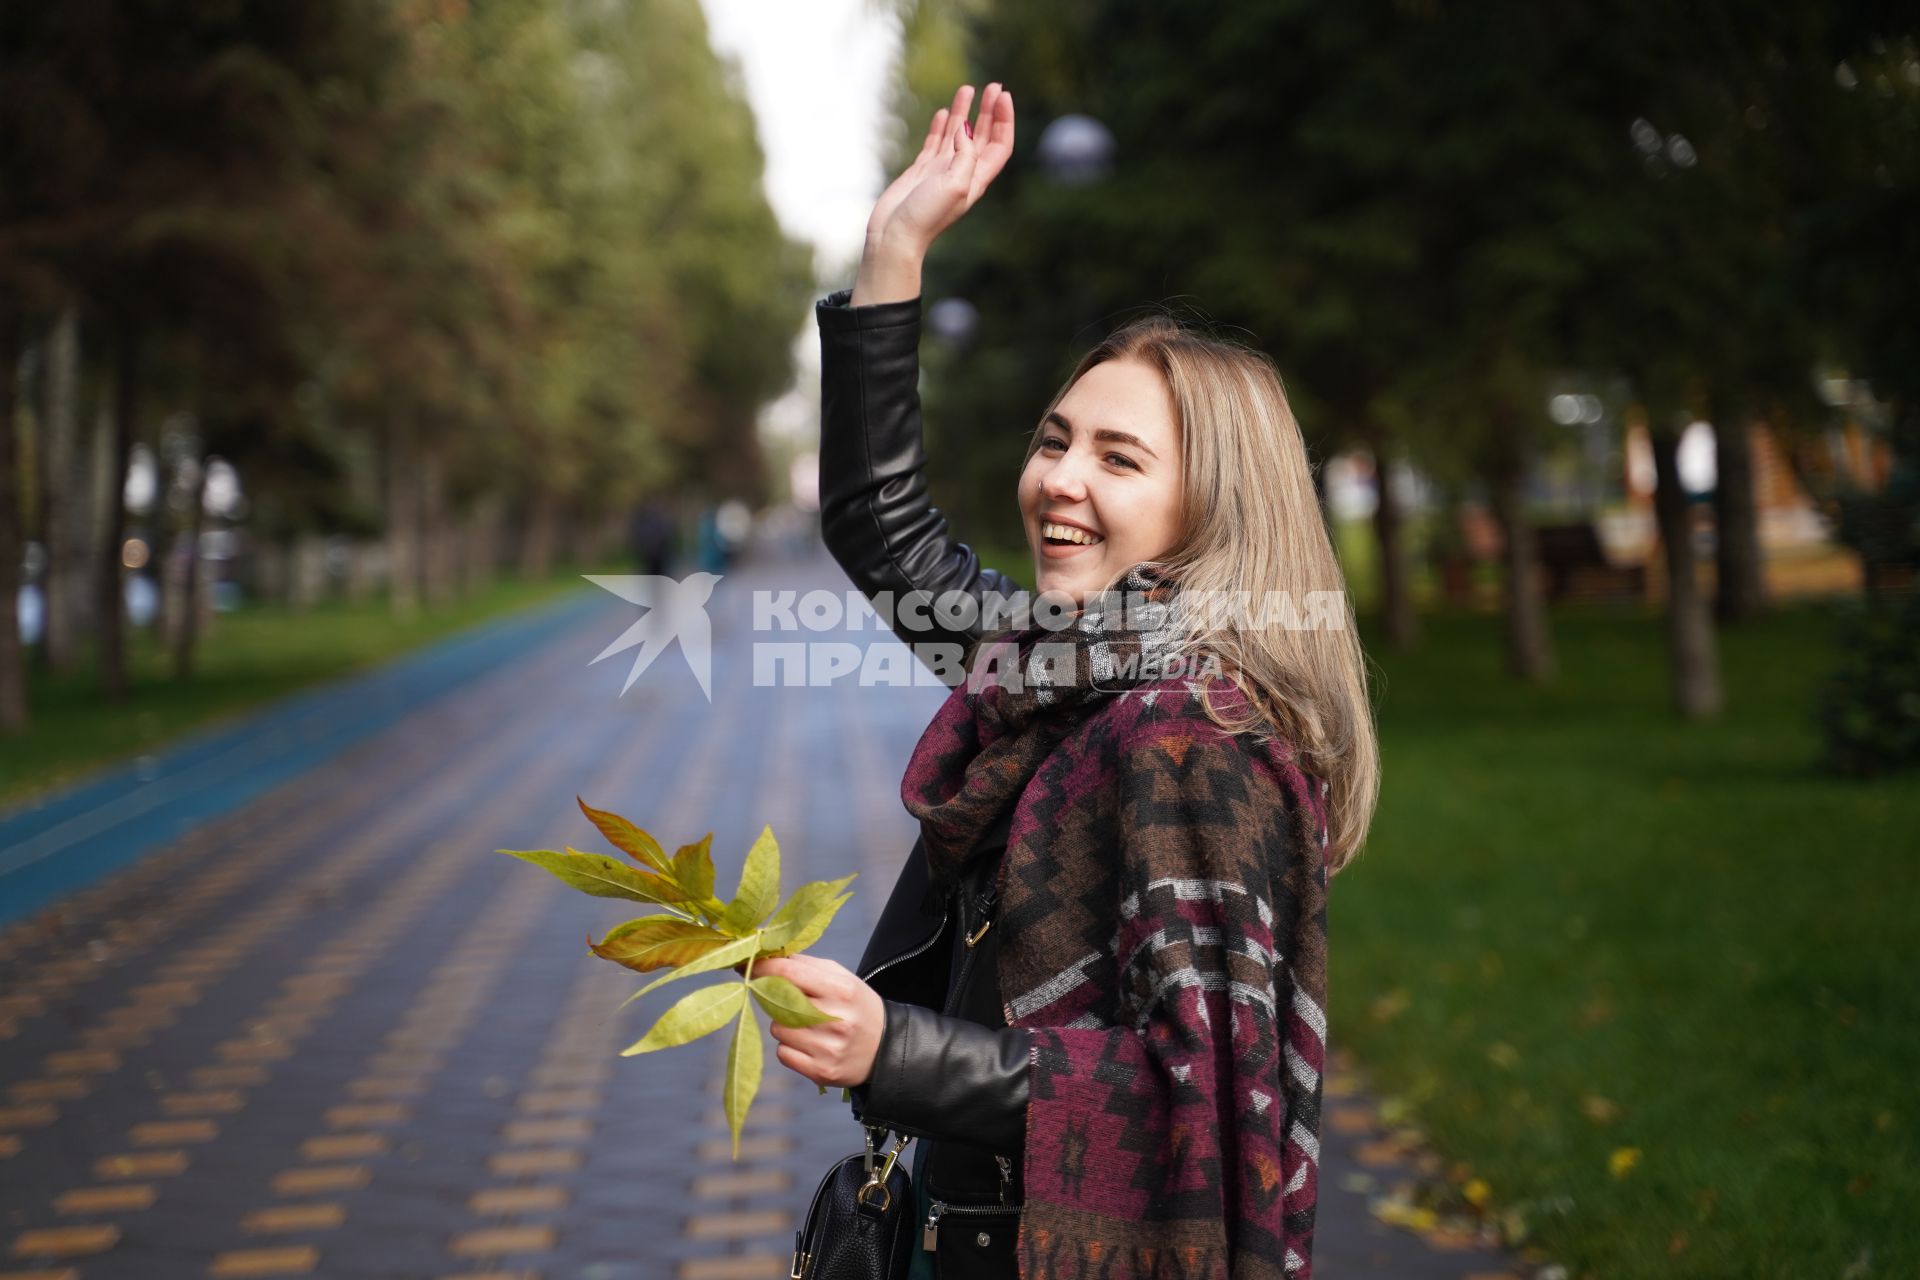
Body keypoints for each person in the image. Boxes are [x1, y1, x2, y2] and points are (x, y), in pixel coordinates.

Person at [756, 83, 1378, 1280]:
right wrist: (895, 251)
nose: (1059, 480)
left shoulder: (1192, 738)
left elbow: (1185, 1097)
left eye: (1119, 456)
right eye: (1055, 439)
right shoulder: (1074, 666)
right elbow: (882, 527)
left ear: (1212, 508)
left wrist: (897, 1048)